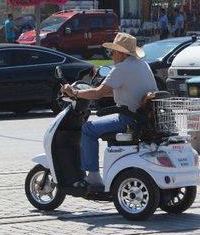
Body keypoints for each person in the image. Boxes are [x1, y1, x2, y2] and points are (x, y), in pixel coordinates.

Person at [62, 33, 158, 187]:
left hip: (129, 119)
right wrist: (96, 91)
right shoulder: (142, 65)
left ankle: (93, 176)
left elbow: (98, 93)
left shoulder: (121, 68)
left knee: (88, 129)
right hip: (145, 118)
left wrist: (75, 93)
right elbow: (115, 89)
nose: (112, 55)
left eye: (112, 52)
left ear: (120, 52)